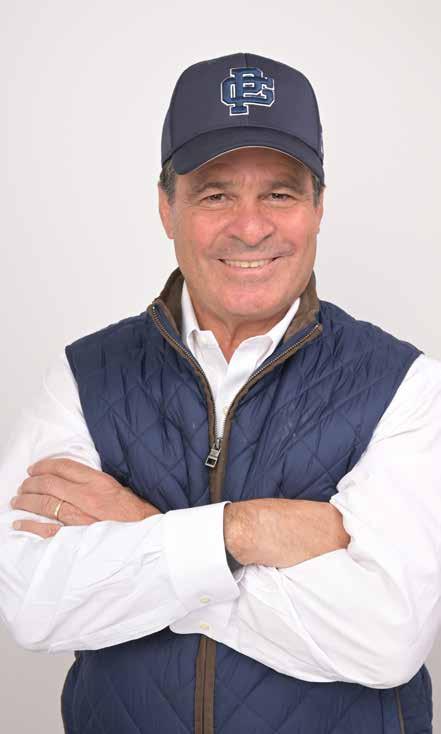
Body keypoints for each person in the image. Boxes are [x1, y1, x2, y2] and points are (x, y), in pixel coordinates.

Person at [0, 51, 440, 734]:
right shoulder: (84, 377)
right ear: (166, 207)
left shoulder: (404, 385)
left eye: (280, 194)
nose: (251, 226)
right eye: (215, 195)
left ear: (318, 207)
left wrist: (141, 533)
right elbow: (34, 606)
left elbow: (386, 639)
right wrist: (243, 531)